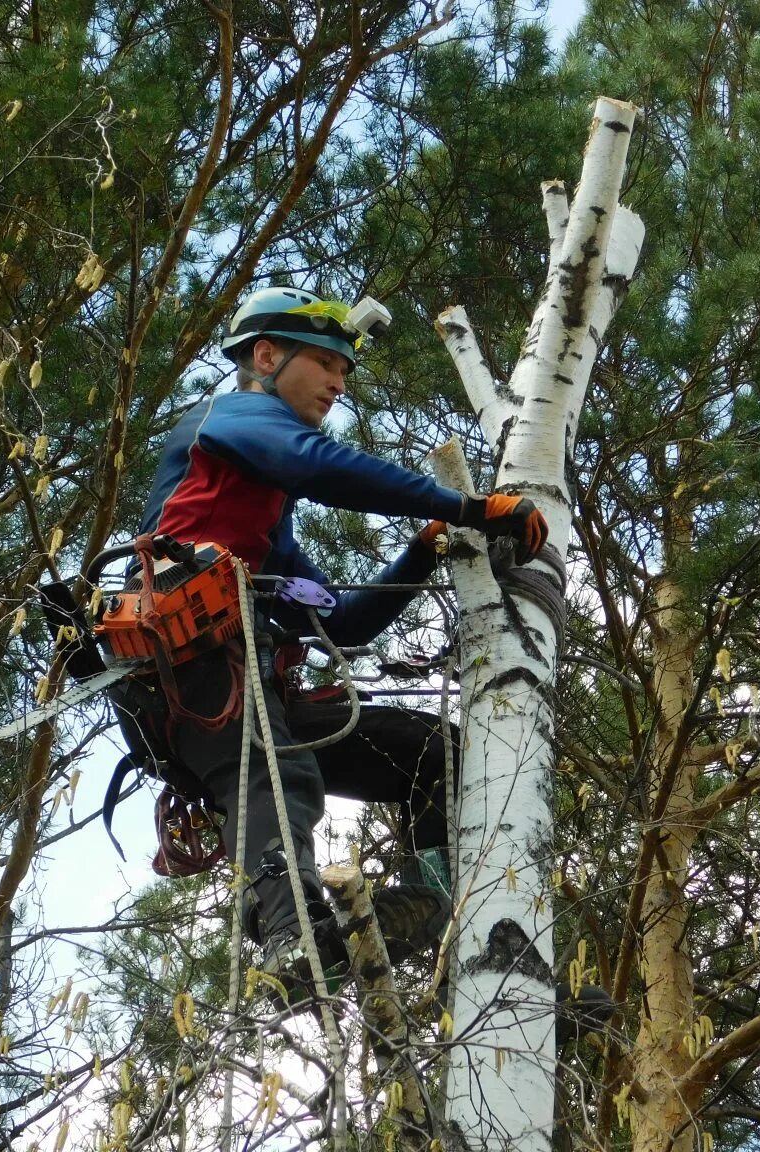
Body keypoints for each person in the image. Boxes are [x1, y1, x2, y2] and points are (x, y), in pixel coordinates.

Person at [124, 286, 547, 1001]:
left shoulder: (263, 530)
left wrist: (424, 549)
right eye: (325, 362)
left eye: (344, 370)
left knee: (429, 754)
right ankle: (293, 941)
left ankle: (439, 907)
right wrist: (466, 506)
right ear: (265, 355)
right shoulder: (227, 419)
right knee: (275, 779)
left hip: (249, 677)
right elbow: (314, 462)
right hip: (184, 669)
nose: (338, 382)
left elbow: (342, 626)